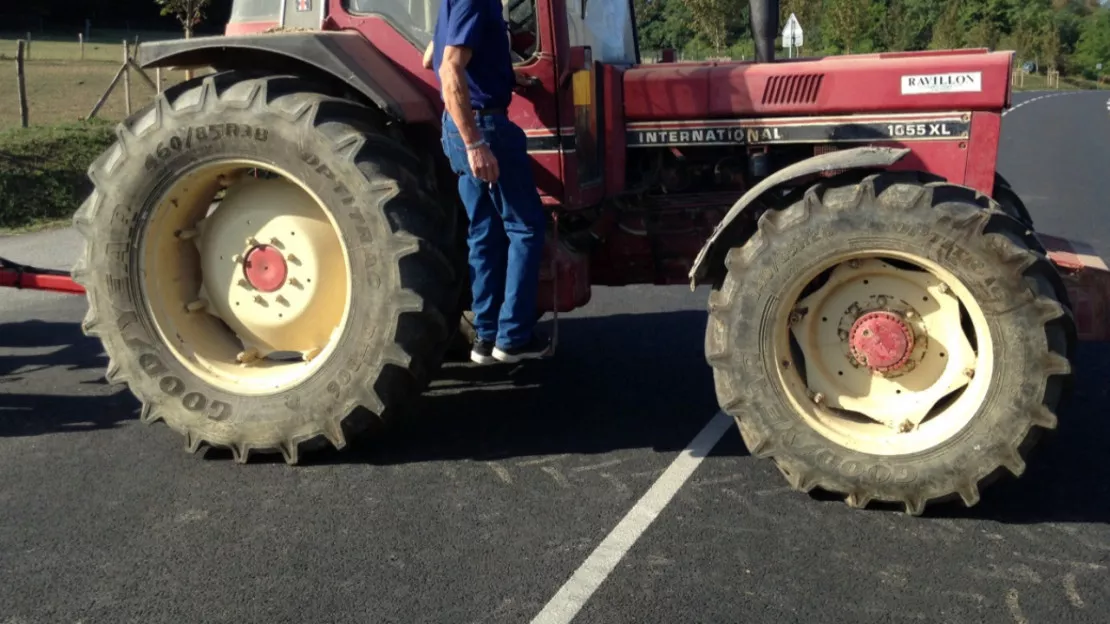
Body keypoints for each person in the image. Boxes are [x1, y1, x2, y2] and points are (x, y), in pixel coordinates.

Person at [422, 0, 551, 365]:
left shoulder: (453, 5)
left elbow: (429, 58)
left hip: (460, 124)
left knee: (483, 232)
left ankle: (485, 338)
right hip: (485, 128)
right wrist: (476, 143)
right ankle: (513, 338)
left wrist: (506, 76)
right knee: (525, 228)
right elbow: (449, 67)